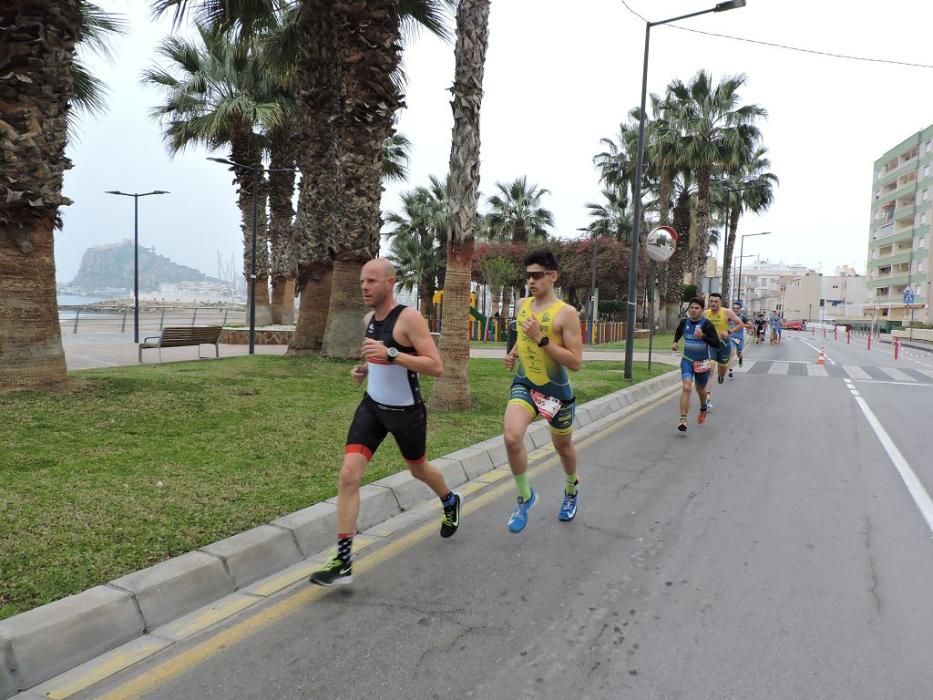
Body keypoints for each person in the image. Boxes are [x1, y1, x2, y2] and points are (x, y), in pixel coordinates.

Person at [309, 259, 462, 586]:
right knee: (349, 474)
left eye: (372, 281)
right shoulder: (368, 319)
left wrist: (391, 355)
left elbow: (435, 366)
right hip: (372, 409)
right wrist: (365, 369)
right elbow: (376, 358)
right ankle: (344, 560)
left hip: (407, 414)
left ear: (390, 283)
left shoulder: (409, 318)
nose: (364, 286)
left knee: (418, 469)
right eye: (362, 281)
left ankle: (450, 500)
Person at [502, 250, 583, 532]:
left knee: (563, 448)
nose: (531, 281)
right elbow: (524, 336)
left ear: (553, 276)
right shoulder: (523, 303)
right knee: (512, 437)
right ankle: (525, 496)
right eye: (528, 276)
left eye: (537, 275)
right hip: (525, 383)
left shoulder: (566, 314)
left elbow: (575, 363)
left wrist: (542, 339)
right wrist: (513, 352)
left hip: (557, 393)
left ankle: (571, 489)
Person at [672, 297, 722, 432]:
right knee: (686, 387)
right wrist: (675, 342)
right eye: (691, 308)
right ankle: (683, 420)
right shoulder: (684, 322)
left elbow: (716, 343)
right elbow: (678, 332)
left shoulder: (707, 324)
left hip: (702, 363)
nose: (693, 310)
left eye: (697, 308)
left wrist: (703, 337)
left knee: (701, 391)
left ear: (701, 310)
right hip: (687, 360)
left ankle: (703, 407)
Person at [702, 292, 746, 406]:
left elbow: (740, 324)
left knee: (722, 371)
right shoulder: (705, 314)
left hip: (724, 345)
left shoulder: (727, 312)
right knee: (710, 372)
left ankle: (721, 376)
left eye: (716, 301)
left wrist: (729, 332)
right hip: (711, 345)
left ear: (720, 302)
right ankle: (707, 398)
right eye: (711, 301)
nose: (713, 303)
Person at [727, 301, 752, 379]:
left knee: (739, 353)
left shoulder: (743, 317)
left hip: (740, 338)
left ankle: (740, 358)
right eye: (734, 308)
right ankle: (730, 371)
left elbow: (750, 326)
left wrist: (741, 325)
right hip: (731, 337)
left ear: (740, 309)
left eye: (737, 308)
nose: (735, 310)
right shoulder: (729, 316)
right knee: (731, 353)